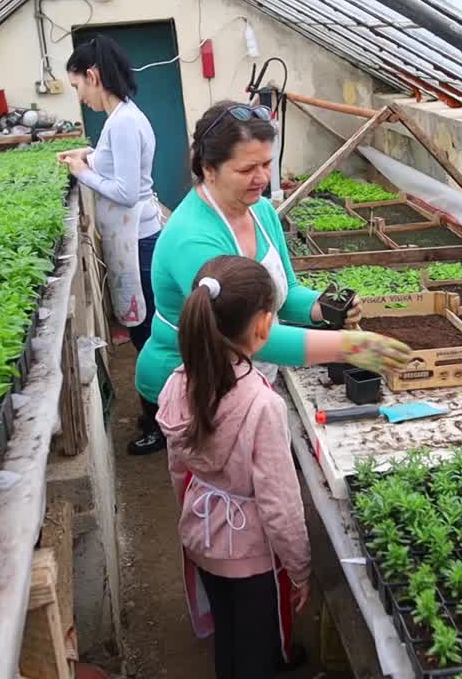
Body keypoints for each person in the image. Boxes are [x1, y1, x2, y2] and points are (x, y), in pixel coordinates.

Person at [133, 101, 412, 455]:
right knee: (227, 489)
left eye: (266, 163)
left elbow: (285, 292)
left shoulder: (261, 211)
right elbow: (247, 335)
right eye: (248, 168)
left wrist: (325, 307)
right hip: (191, 382)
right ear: (209, 169)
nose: (262, 178)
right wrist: (348, 347)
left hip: (244, 374)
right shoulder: (194, 238)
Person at [159, 255, 310, 679]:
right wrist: (299, 568)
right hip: (250, 555)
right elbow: (280, 503)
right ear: (264, 326)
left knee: (226, 635)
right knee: (258, 651)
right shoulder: (262, 404)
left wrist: (190, 514)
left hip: (200, 531)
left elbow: (178, 470)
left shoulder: (178, 382)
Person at [57, 35, 163, 454]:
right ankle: (160, 414)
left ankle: (164, 424)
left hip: (137, 242)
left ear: (93, 75)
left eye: (78, 85)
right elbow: (112, 162)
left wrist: (82, 173)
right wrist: (83, 154)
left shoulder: (122, 122)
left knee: (148, 337)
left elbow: (124, 190)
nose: (80, 96)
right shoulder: (124, 116)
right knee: (146, 331)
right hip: (133, 239)